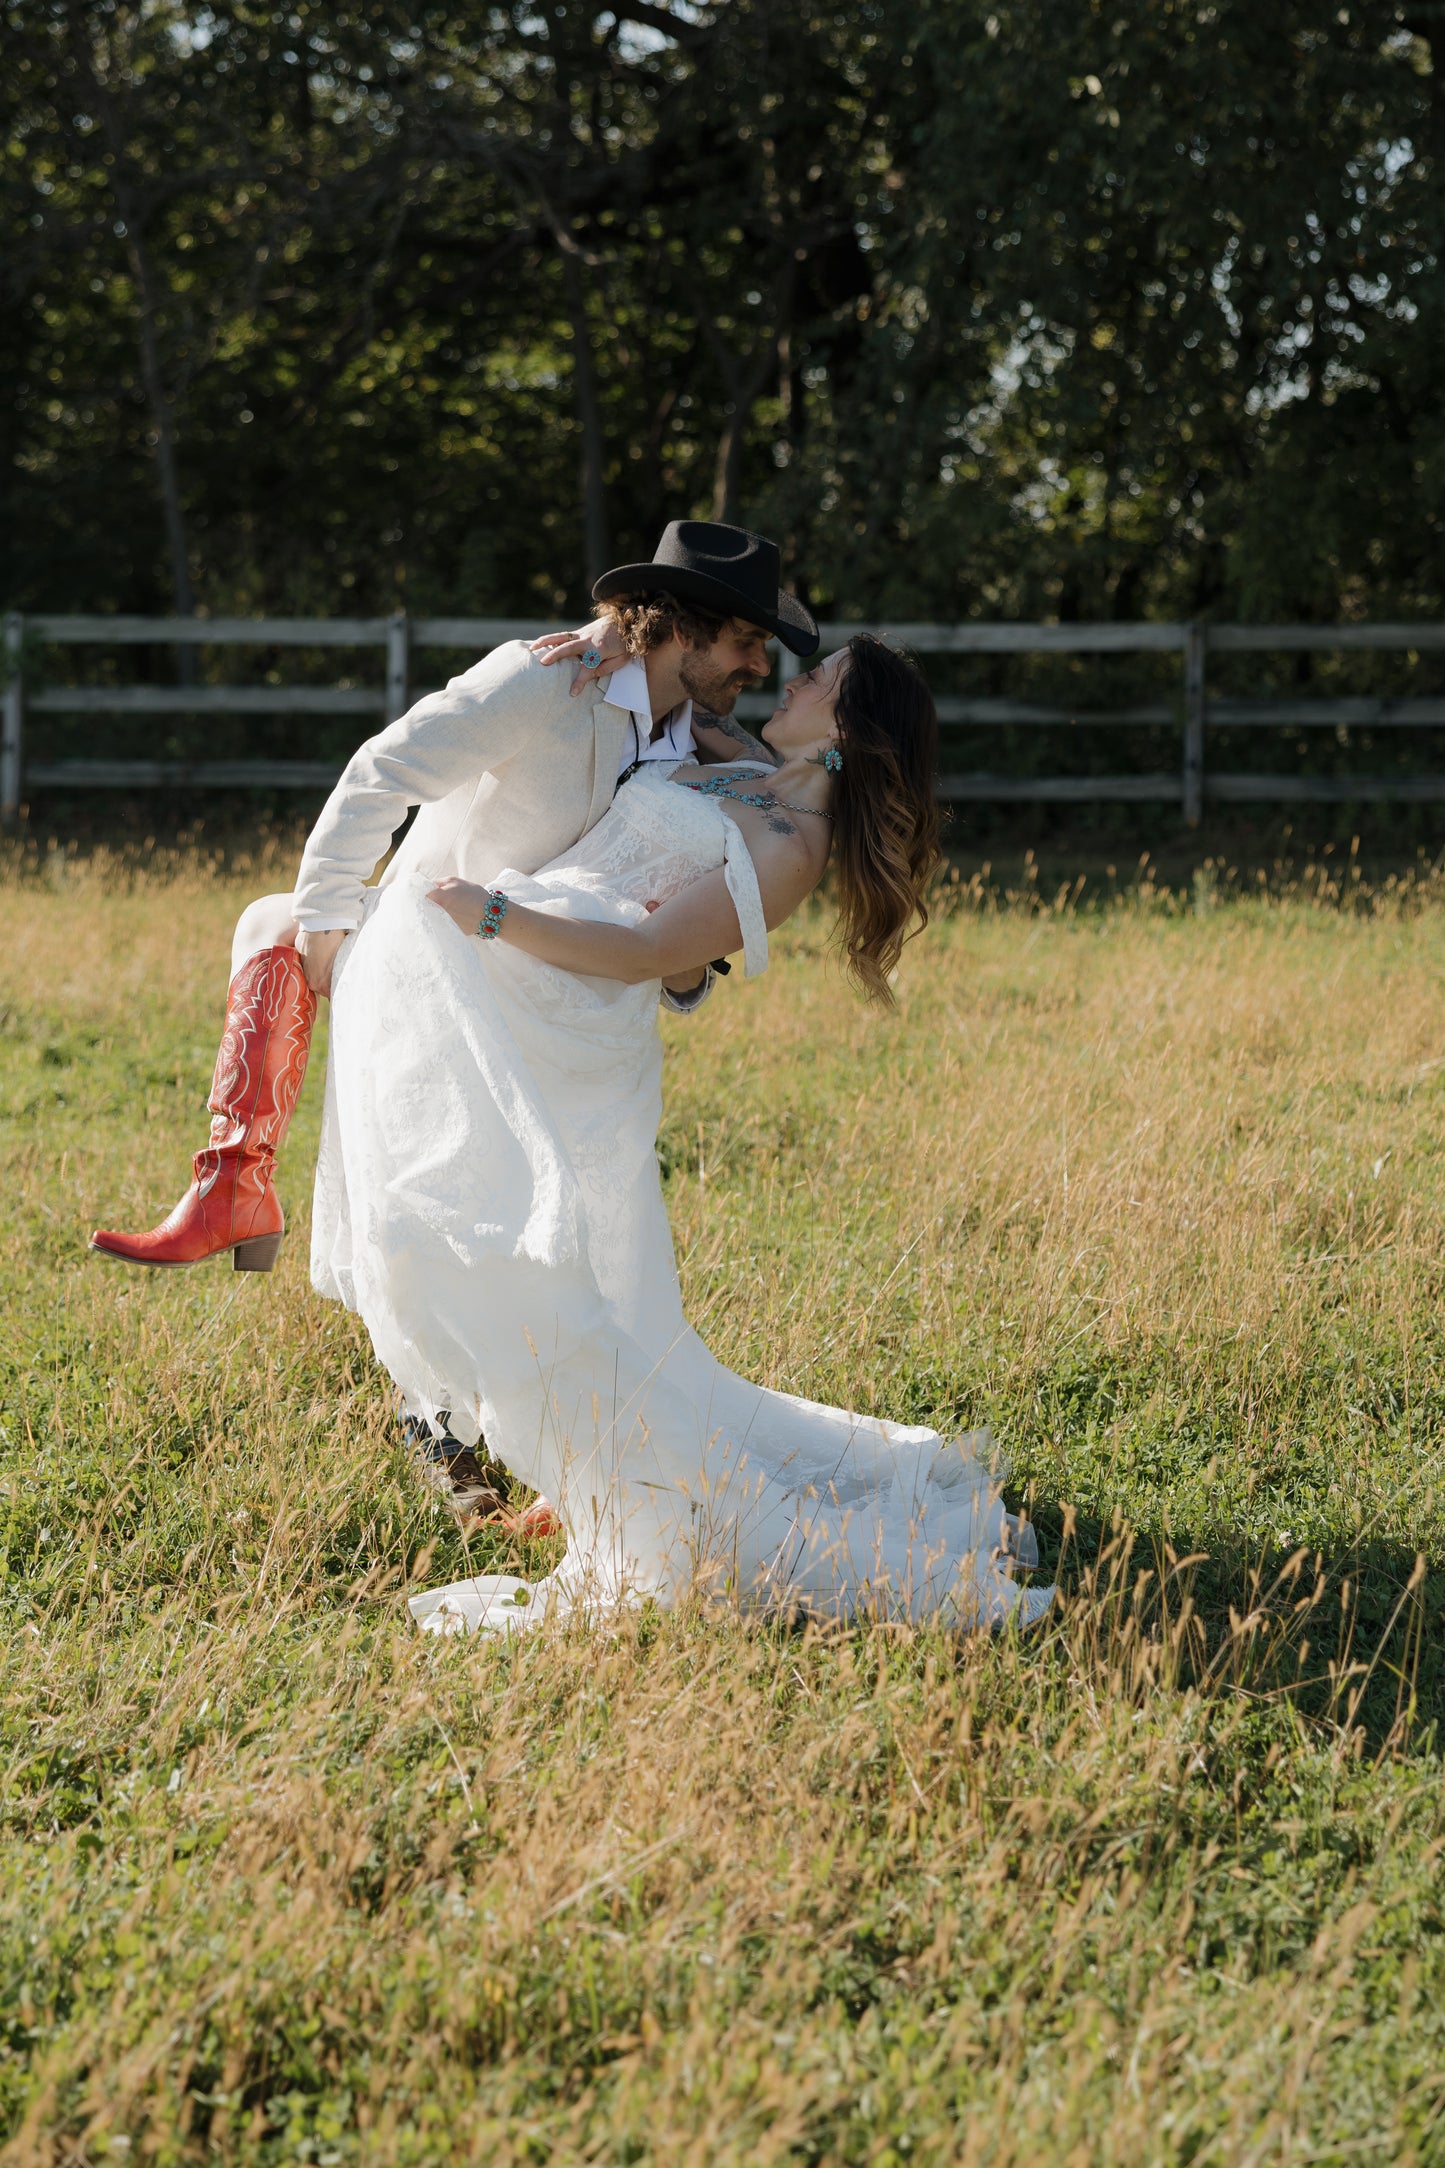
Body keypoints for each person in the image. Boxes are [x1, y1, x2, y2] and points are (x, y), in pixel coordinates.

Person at [313, 604, 1052, 1634]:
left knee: (509, 1256)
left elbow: (649, 949)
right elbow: (659, 689)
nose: (784, 683)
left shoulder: (792, 843)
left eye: (814, 683)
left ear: (844, 731)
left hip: (553, 986)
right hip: (521, 985)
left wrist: (490, 913)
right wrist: (605, 634)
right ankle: (569, 1467)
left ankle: (637, 1489)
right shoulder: (741, 767)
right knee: (484, 1240)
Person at [87, 520, 817, 1515]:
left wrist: (679, 969)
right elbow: (381, 771)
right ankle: (428, 1414)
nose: (757, 667)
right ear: (682, 627)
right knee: (436, 1193)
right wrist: (331, 927)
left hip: (553, 991)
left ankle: (546, 1425)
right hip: (434, 962)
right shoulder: (540, 679)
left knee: (556, 1219)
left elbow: (649, 882)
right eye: (744, 642)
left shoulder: (686, 729)